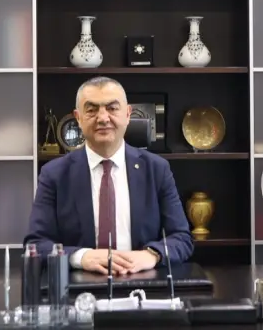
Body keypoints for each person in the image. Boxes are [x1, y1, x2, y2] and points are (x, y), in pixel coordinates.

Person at [23, 76, 193, 274]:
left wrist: (152, 255)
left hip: (142, 282)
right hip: (79, 284)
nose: (103, 118)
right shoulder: (55, 174)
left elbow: (182, 238)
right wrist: (81, 257)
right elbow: (35, 245)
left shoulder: (156, 169)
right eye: (92, 110)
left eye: (112, 108)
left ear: (128, 114)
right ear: (78, 118)